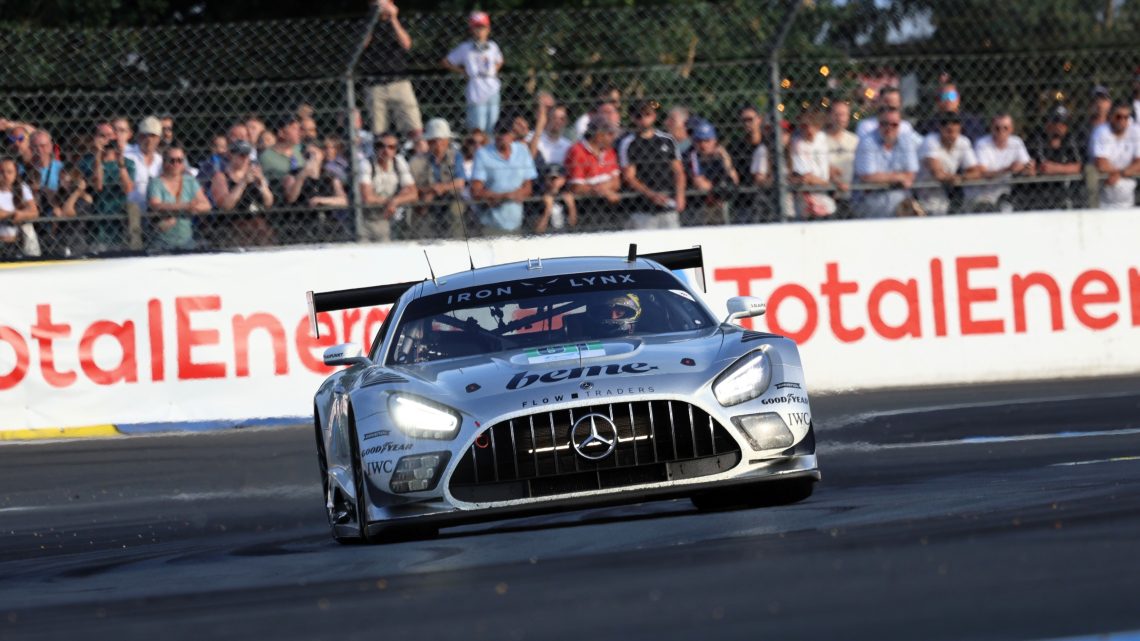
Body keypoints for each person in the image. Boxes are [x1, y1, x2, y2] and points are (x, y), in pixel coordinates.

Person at [618, 100, 685, 230]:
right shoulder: (628, 143)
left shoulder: (667, 140)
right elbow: (629, 177)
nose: (643, 119)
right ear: (632, 118)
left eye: (647, 114)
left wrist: (680, 196)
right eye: (638, 116)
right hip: (642, 209)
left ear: (654, 116)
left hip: (668, 205)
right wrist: (651, 195)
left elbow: (678, 171)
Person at [362, 0, 422, 140]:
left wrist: (393, 18)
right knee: (378, 130)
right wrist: (372, 18)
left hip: (399, 80)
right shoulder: (365, 23)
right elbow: (362, 44)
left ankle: (416, 149)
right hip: (375, 83)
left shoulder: (399, 22)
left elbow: (406, 44)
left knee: (414, 126)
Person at [470, 121, 538, 236]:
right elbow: (475, 191)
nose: (502, 137)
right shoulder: (482, 154)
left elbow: (528, 186)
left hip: (517, 223)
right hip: (491, 224)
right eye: (499, 133)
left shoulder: (522, 151)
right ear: (494, 135)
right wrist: (503, 196)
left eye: (506, 133)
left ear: (512, 135)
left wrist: (519, 193)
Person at [79, 122, 136, 250]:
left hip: (118, 221)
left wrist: (120, 162)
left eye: (110, 135)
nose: (107, 140)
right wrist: (98, 155)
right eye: (102, 136)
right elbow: (98, 185)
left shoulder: (128, 163)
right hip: (95, 221)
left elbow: (128, 189)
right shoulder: (87, 161)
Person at [444, 11, 504, 133]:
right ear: (471, 29)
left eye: (482, 27)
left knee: (493, 124)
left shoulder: (493, 46)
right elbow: (446, 62)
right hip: (476, 89)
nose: (479, 31)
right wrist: (463, 71)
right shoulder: (465, 47)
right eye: (476, 27)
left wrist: (493, 71)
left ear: (488, 29)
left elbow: (500, 60)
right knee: (478, 126)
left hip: (492, 88)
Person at [853, 107, 919, 218]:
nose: (889, 128)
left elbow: (911, 173)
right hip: (871, 200)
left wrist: (883, 178)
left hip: (900, 200)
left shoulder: (906, 141)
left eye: (894, 125)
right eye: (884, 124)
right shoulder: (867, 142)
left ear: (900, 125)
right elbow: (868, 176)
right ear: (878, 124)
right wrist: (899, 177)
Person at [408, 118, 467, 239]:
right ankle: (421, 240)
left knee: (456, 208)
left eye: (441, 140)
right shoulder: (416, 161)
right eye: (433, 141)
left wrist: (440, 188)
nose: (438, 144)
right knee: (417, 212)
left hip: (450, 196)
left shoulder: (456, 156)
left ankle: (457, 241)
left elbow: (460, 182)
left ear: (447, 141)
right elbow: (411, 187)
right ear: (428, 142)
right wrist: (429, 191)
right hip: (425, 198)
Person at [210, 139, 274, 247]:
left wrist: (262, 184)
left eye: (247, 155)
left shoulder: (255, 174)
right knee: (246, 230)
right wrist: (243, 183)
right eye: (241, 155)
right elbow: (226, 206)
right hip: (231, 221)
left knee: (260, 226)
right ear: (231, 155)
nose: (245, 159)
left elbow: (269, 202)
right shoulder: (221, 176)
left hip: (255, 220)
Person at [146, 145, 211, 251]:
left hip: (186, 241)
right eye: (172, 160)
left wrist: (176, 209)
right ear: (164, 162)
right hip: (162, 242)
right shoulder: (156, 183)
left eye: (180, 160)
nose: (176, 164)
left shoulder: (190, 181)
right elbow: (156, 205)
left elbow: (206, 205)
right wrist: (186, 206)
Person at [915, 113, 981, 215]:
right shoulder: (930, 141)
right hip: (925, 188)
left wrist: (960, 178)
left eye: (956, 131)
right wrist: (956, 178)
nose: (953, 135)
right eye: (949, 131)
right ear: (940, 128)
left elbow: (976, 172)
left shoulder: (963, 142)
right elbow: (938, 174)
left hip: (947, 188)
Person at [564, 116, 622, 230]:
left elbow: (616, 183)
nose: (613, 138)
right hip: (585, 207)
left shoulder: (609, 151)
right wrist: (603, 190)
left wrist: (602, 189)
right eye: (610, 134)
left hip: (608, 208)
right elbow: (576, 187)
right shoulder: (577, 150)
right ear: (598, 134)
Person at [966, 113, 1034, 212]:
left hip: (1004, 193)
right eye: (997, 128)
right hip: (982, 193)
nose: (1001, 131)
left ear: (1011, 129)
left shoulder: (1016, 142)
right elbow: (982, 173)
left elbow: (1028, 167)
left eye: (1005, 128)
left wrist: (1025, 167)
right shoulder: (982, 144)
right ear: (991, 128)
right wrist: (1008, 169)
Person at [1021, 105, 1083, 210]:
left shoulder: (1069, 138)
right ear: (1048, 124)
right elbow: (1041, 167)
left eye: (1064, 123)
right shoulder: (1037, 138)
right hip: (1040, 191)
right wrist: (1065, 168)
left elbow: (1078, 166)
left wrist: (1056, 168)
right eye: (1056, 122)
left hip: (1065, 190)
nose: (1060, 126)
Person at [360, 132, 417, 242]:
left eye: (391, 147)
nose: (386, 150)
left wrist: (395, 201)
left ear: (396, 150)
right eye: (381, 146)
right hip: (365, 219)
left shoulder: (398, 162)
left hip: (386, 218)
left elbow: (413, 193)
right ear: (375, 148)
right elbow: (367, 197)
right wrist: (390, 202)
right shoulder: (366, 163)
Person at [788, 108, 842, 219]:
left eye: (812, 125)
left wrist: (834, 177)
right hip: (808, 203)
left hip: (825, 199)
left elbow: (823, 167)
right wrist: (828, 185)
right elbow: (807, 178)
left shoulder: (821, 138)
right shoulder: (797, 144)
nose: (809, 130)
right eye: (804, 126)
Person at [684, 122, 739, 224]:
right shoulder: (692, 155)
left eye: (707, 140)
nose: (703, 145)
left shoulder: (721, 155)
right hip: (698, 205)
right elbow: (700, 184)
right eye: (699, 141)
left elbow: (734, 181)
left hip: (719, 202)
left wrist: (726, 159)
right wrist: (721, 190)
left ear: (714, 141)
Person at [1091, 100, 1140, 209]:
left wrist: (1120, 174)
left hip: (1127, 192)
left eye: (1126, 117)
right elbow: (1101, 164)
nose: (1122, 120)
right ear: (1111, 116)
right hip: (1105, 191)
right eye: (1118, 117)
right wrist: (1125, 172)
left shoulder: (1136, 132)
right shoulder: (1101, 131)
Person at [727, 105, 769, 223]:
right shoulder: (736, 146)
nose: (747, 124)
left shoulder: (768, 143)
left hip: (766, 198)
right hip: (743, 201)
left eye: (750, 119)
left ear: (759, 119)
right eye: (743, 120)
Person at [0, 156, 40, 260]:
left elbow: (34, 212)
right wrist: (12, 214)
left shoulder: (22, 188)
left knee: (28, 227)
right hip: (2, 241)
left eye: (9, 172)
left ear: (16, 173)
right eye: (2, 172)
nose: (5, 175)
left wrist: (21, 214)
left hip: (18, 242)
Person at [917, 82, 986, 142]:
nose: (948, 100)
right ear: (938, 101)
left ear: (958, 99)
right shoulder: (929, 123)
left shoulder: (971, 121)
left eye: (952, 96)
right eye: (944, 97)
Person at [825, 100, 859, 218]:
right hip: (827, 196)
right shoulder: (820, 139)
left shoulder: (854, 140)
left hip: (851, 197)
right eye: (837, 114)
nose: (841, 119)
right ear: (829, 116)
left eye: (844, 115)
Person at [124, 116, 164, 213]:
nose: (148, 139)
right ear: (138, 137)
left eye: (153, 136)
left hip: (154, 211)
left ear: (159, 139)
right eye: (144, 135)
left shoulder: (161, 160)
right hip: (130, 209)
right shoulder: (127, 155)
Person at [259, 115, 305, 189]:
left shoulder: (298, 151)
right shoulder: (266, 157)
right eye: (294, 128)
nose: (299, 132)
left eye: (299, 128)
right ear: (281, 133)